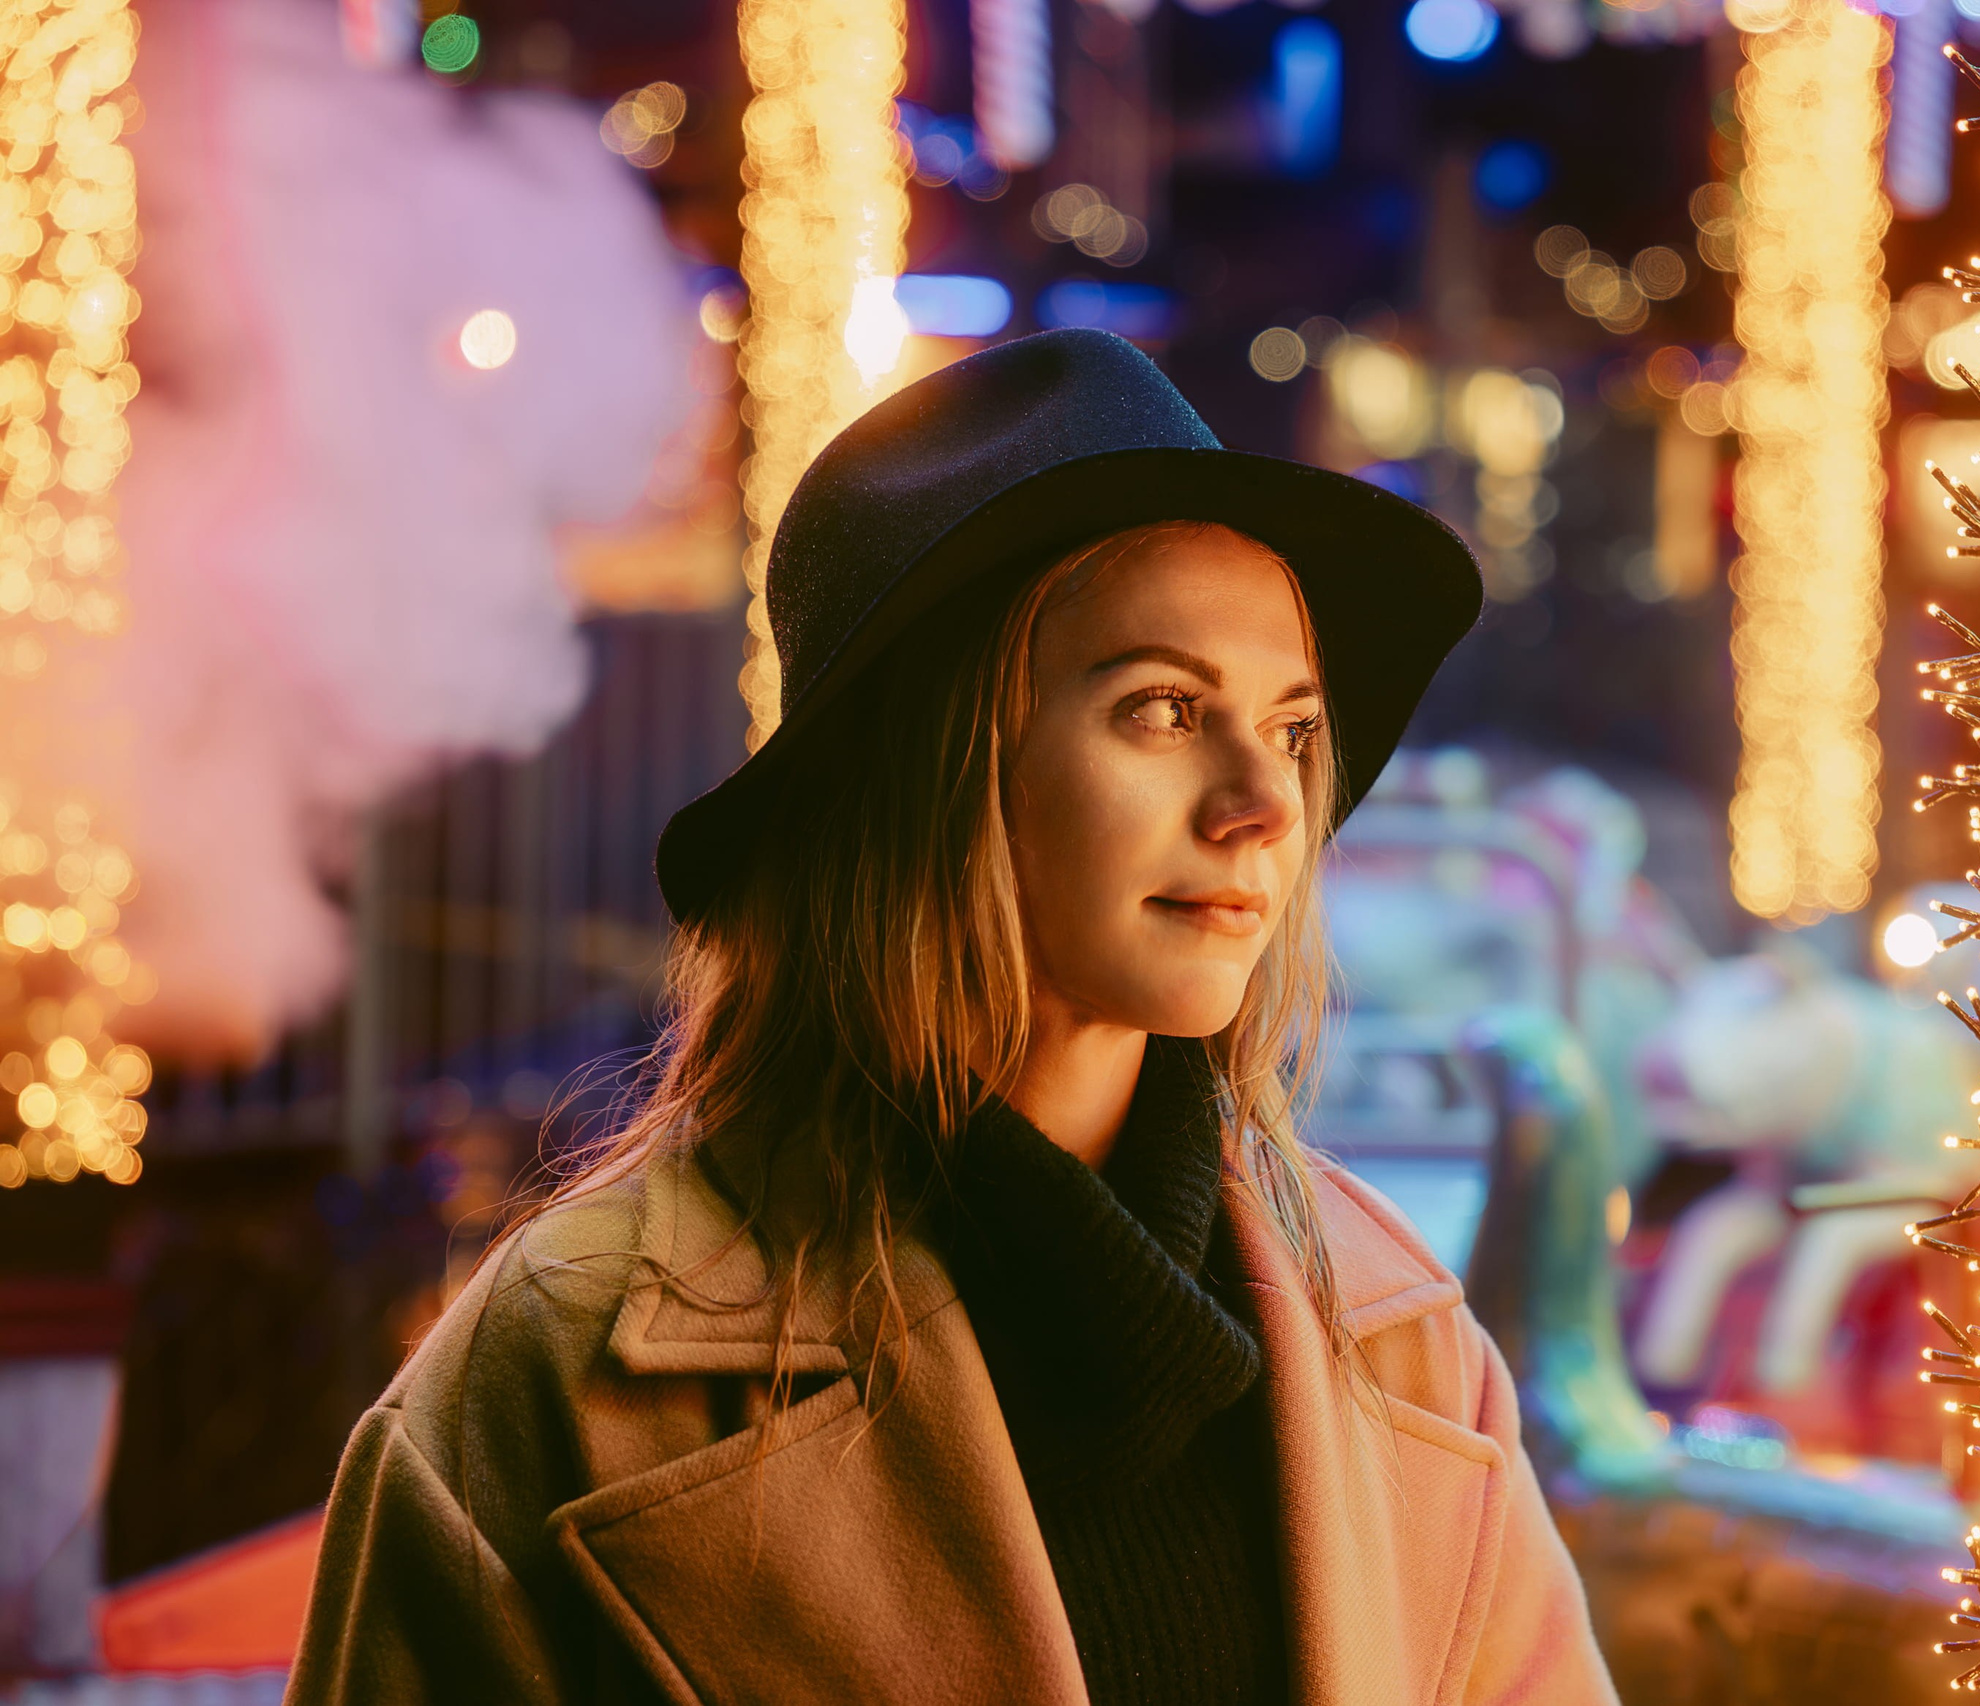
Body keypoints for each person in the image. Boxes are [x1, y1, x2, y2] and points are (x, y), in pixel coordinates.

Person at [284, 328, 1617, 1705]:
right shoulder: (555, 1376)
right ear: (935, 768)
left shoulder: (1403, 1337)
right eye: (1163, 707)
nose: (1267, 804)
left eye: (1289, 727)